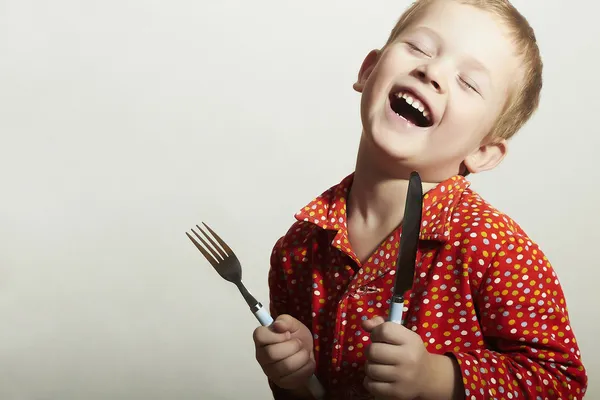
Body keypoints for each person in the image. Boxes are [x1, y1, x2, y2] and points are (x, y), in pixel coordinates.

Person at [252, 0, 588, 398]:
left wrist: (438, 377)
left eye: (469, 83)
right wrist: (294, 377)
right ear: (368, 71)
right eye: (420, 48)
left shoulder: (497, 248)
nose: (432, 71)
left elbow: (559, 381)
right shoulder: (298, 248)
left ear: (482, 152)